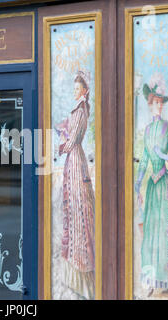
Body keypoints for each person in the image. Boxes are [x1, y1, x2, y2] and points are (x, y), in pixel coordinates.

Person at [135, 73, 168, 297]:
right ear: (149, 104)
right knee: (151, 234)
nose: (156, 106)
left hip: (166, 184)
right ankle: (153, 279)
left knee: (166, 232)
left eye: (159, 103)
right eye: (153, 102)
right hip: (153, 188)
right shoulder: (146, 131)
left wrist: (163, 155)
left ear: (162, 105)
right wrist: (137, 184)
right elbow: (144, 159)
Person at [56, 71, 95, 299]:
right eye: (73, 89)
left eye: (77, 89)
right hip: (73, 162)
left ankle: (82, 267)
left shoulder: (81, 111)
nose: (74, 92)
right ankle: (73, 266)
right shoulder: (77, 110)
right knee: (72, 209)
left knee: (79, 209)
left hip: (76, 161)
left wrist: (61, 144)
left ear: (84, 91)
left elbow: (72, 141)